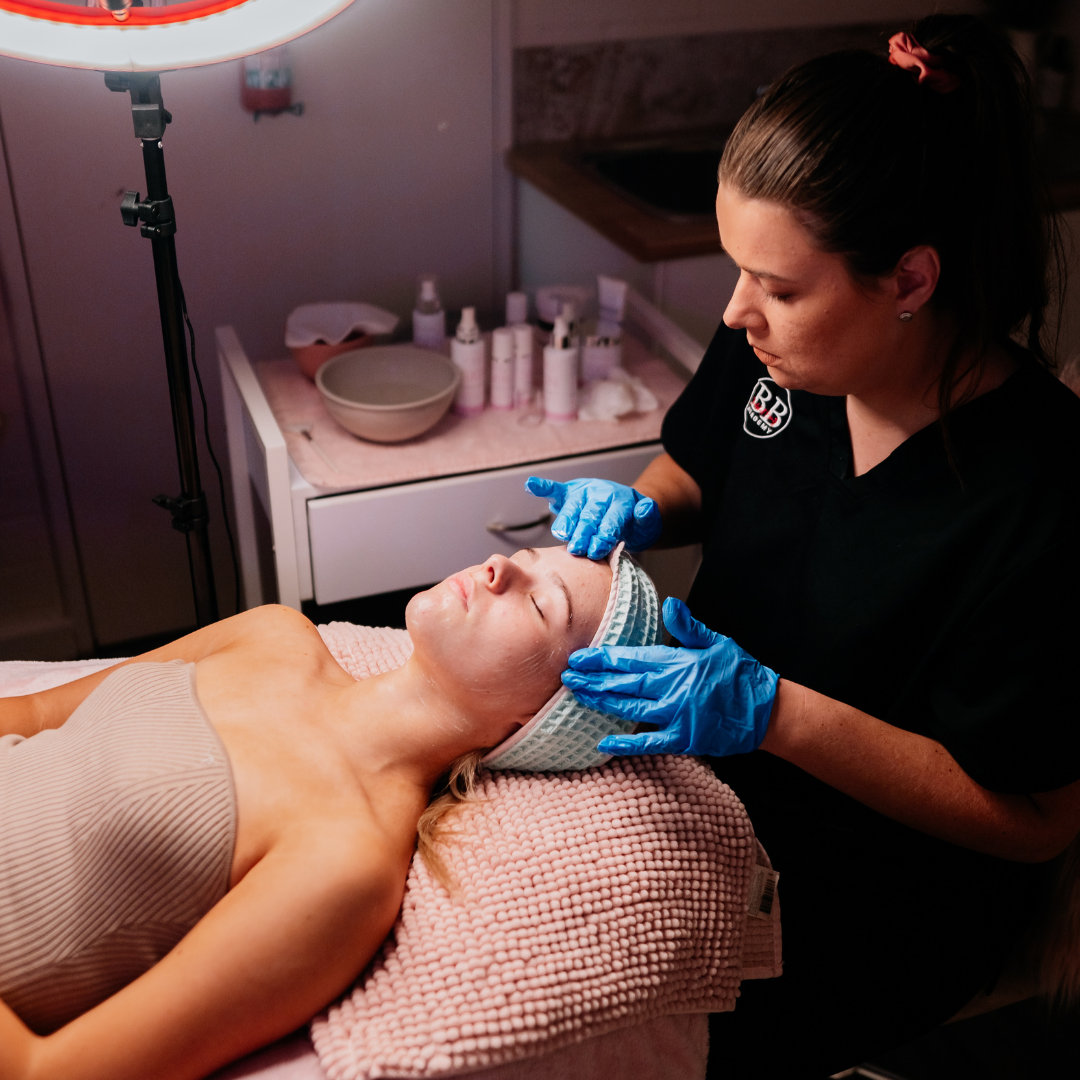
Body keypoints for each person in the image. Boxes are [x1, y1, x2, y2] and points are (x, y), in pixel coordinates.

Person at [527, 14, 1080, 1078]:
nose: (739, 313)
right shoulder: (783, 361)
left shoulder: (1042, 491)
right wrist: (641, 508)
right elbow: (699, 468)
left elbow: (1036, 819)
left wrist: (775, 713)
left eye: (777, 286)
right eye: (741, 272)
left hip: (883, 892)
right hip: (715, 786)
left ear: (911, 282)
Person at [0, 545, 612, 1080]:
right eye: (526, 556)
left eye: (541, 607)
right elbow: (28, 717)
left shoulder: (348, 863)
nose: (499, 565)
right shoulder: (271, 633)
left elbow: (46, 1070)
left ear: (542, 719)